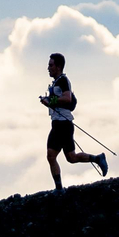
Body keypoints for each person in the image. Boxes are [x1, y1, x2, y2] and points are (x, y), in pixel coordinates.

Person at [41, 52, 108, 191]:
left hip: (62, 124)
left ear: (58, 66)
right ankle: (97, 159)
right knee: (68, 157)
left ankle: (59, 189)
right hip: (60, 123)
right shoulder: (57, 82)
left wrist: (50, 101)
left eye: (51, 65)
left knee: (53, 156)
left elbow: (67, 98)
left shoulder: (63, 81)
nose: (48, 68)